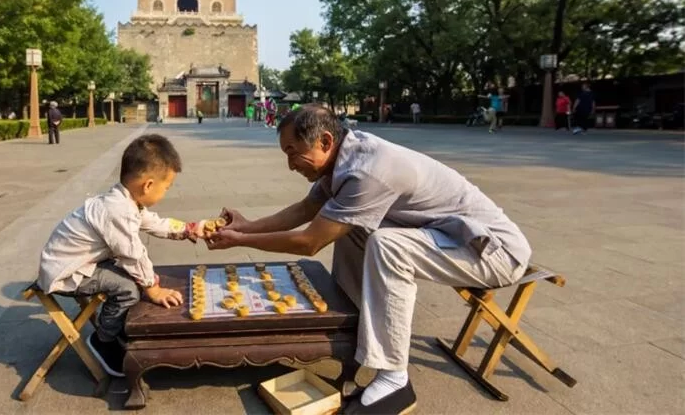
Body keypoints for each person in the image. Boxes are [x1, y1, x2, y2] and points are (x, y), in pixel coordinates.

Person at [206, 106, 530, 414]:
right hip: (452, 240)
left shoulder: (366, 172)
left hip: (494, 253)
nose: (291, 164)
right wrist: (246, 225)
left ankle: (393, 378)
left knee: (387, 244)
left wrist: (243, 241)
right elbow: (306, 211)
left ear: (325, 141)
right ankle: (353, 329)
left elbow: (310, 242)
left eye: (293, 152)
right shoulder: (341, 159)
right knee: (351, 229)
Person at [37, 134, 209, 377]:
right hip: (66, 271)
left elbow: (155, 224)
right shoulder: (117, 211)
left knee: (135, 278)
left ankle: (117, 326)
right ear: (148, 185)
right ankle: (103, 340)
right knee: (129, 287)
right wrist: (153, 288)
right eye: (167, 187)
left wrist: (189, 229)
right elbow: (133, 255)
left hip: (78, 262)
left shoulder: (125, 201)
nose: (166, 193)